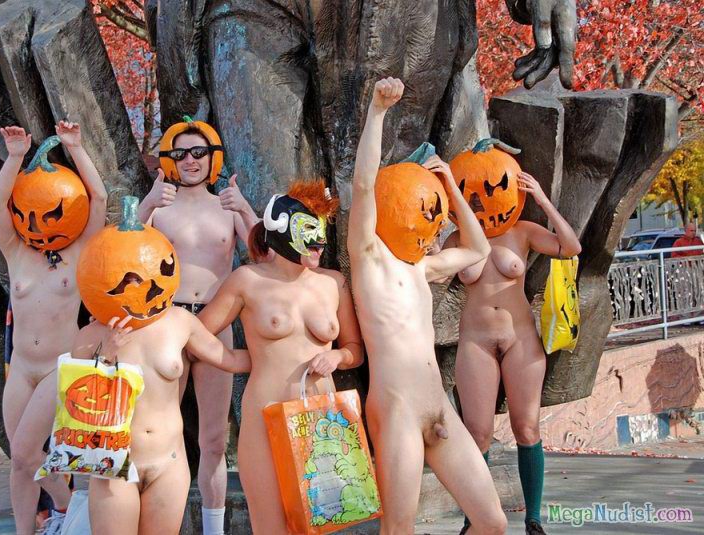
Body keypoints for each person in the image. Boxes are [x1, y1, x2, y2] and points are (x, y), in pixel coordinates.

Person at [347, 77, 507, 535]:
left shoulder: (423, 267)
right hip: (396, 408)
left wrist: (450, 187)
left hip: (439, 407)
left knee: (493, 523)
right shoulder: (369, 256)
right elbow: (363, 186)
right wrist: (377, 112)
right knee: (398, 529)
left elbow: (477, 249)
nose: (431, 225)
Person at [198, 179, 364, 534]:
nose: (319, 243)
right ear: (284, 231)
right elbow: (196, 333)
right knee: (270, 527)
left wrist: (338, 357)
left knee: (321, 526)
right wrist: (234, 360)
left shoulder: (333, 283)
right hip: (265, 416)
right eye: (310, 233)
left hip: (322, 420)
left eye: (321, 233)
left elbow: (355, 349)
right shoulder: (247, 280)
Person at [137, 117, 258, 535]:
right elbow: (123, 247)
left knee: (213, 440)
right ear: (170, 159)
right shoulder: (160, 206)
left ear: (212, 158)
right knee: (159, 435)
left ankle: (213, 529)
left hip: (214, 323)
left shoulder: (226, 205)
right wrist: (148, 203)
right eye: (181, 153)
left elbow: (265, 253)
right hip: (167, 323)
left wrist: (244, 206)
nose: (190, 160)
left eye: (198, 152)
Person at [446, 170, 581, 534]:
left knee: (526, 427)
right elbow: (431, 272)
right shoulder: (458, 238)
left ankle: (533, 519)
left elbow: (570, 247)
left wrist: (542, 199)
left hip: (520, 338)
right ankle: (475, 520)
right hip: (475, 340)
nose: (482, 198)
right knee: (477, 433)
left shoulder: (521, 230)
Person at [0, 122, 107, 535]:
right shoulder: (16, 251)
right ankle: (45, 518)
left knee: (28, 453)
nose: (40, 224)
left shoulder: (78, 251)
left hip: (60, 367)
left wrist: (75, 148)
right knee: (21, 461)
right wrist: (15, 157)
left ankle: (64, 508)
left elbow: (99, 198)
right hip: (23, 367)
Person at [71, 309, 251, 535]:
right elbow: (77, 402)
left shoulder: (180, 320)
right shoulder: (90, 333)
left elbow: (230, 359)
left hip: (169, 464)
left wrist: (286, 354)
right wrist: (105, 356)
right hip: (115, 462)